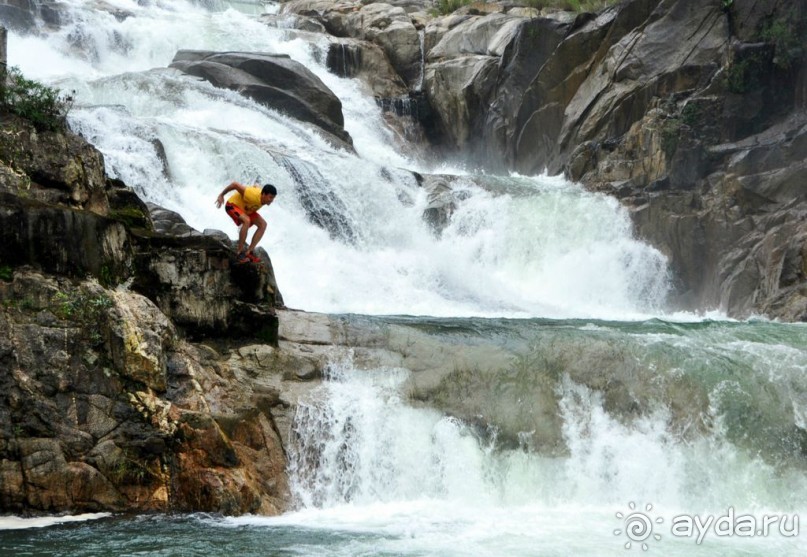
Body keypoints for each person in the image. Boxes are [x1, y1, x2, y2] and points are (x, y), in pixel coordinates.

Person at [215, 181, 277, 263]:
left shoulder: (261, 196)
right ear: (263, 194)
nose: (271, 200)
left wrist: (255, 185)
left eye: (273, 198)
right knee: (246, 221)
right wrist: (221, 195)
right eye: (270, 197)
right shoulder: (251, 195)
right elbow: (235, 185)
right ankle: (239, 253)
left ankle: (248, 252)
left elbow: (256, 186)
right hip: (232, 205)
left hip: (247, 210)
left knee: (263, 225)